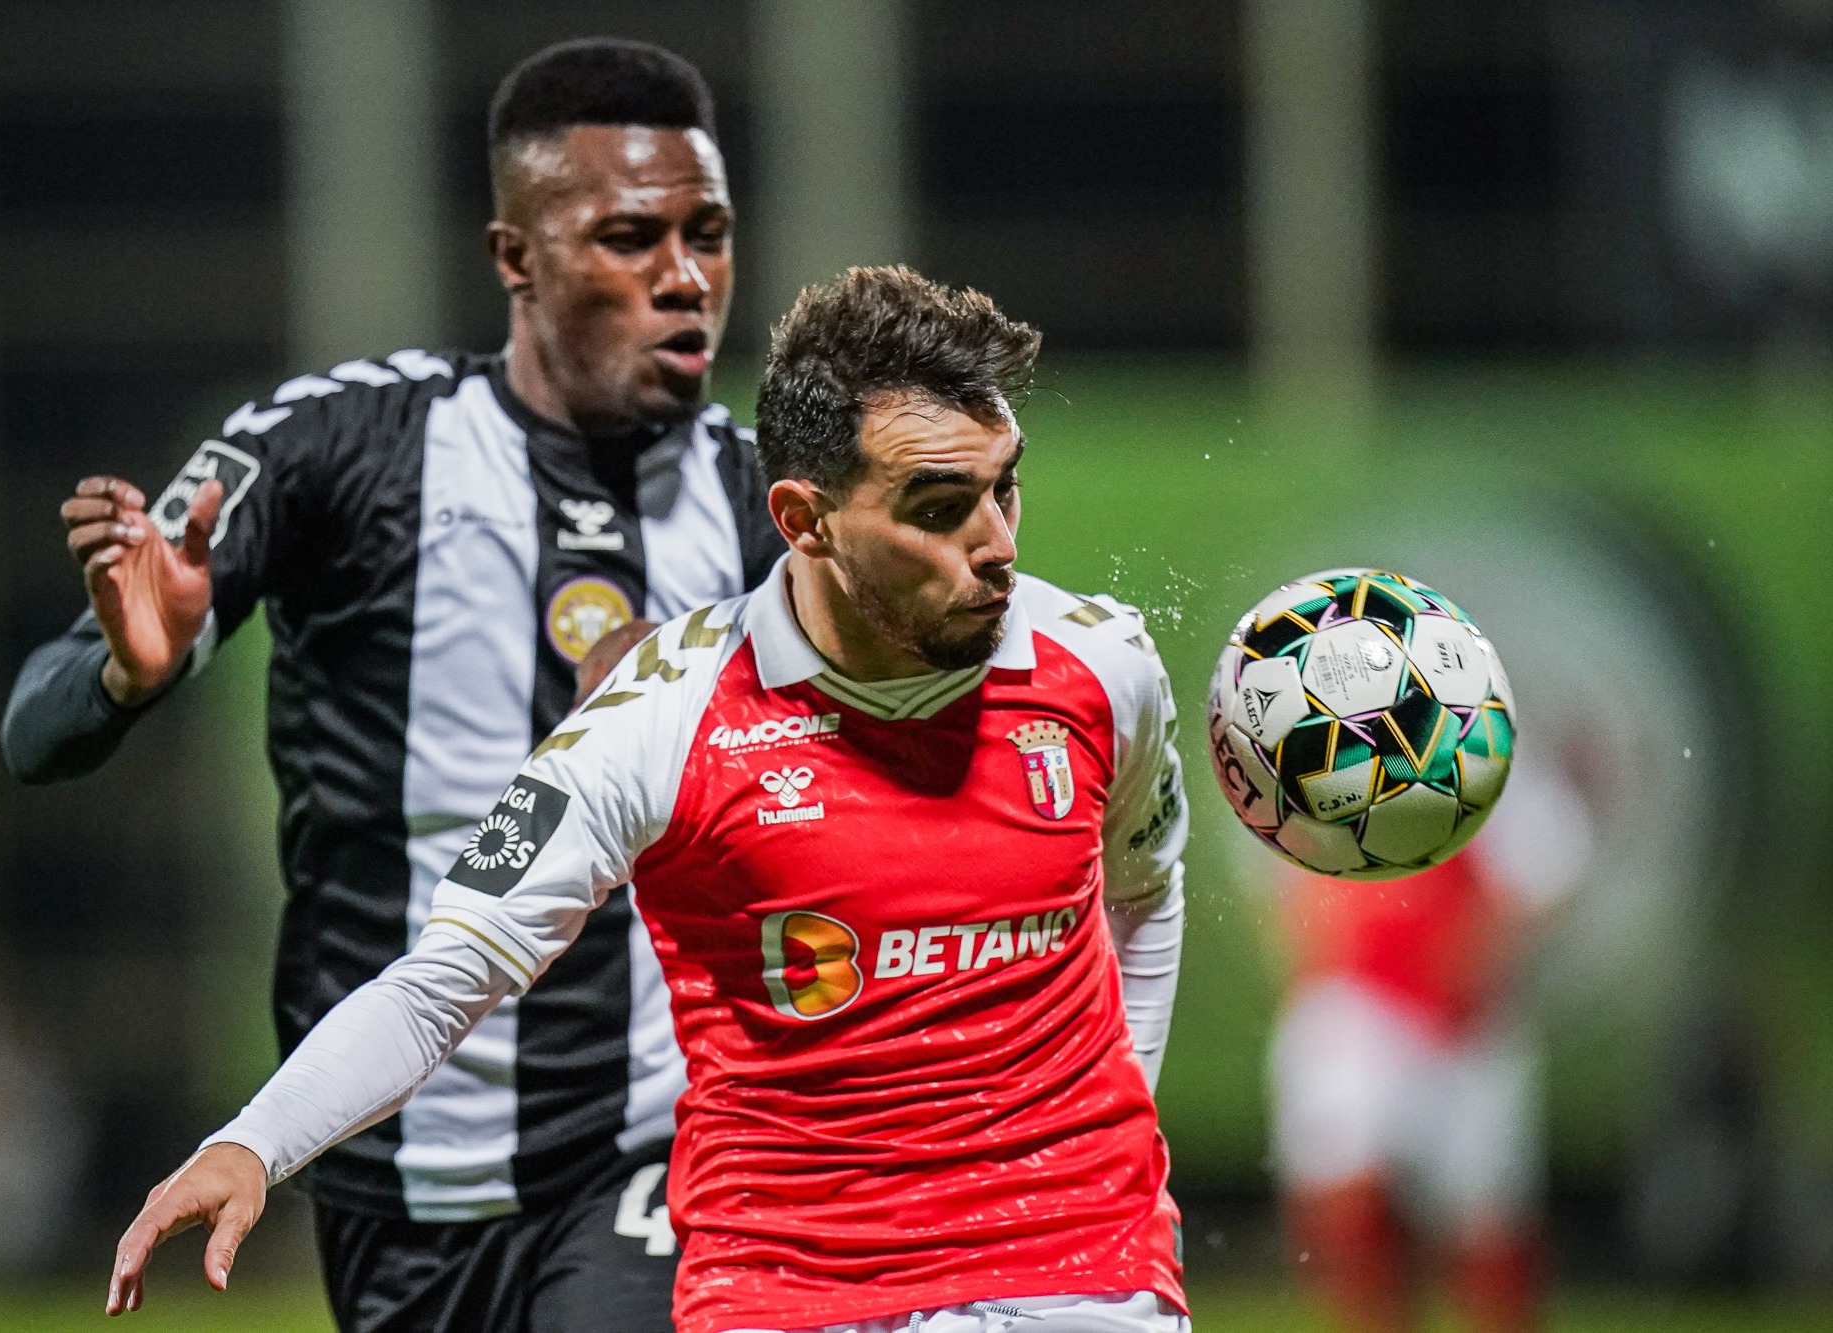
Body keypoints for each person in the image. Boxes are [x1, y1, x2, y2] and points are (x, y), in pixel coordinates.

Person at [107, 266, 1195, 1333]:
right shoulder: (662, 715)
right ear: (804, 519)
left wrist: (1113, 1123)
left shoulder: (1101, 666)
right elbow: (443, 980)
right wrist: (254, 1142)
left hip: (1082, 1275)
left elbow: (1144, 890)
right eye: (941, 507)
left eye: (1005, 485)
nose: (997, 543)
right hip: (789, 1291)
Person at [2, 38, 783, 1333]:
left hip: (659, 1148)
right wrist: (128, 674)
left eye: (707, 233)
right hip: (390, 1166)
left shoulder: (765, 505)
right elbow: (36, 729)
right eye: (630, 238)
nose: (685, 276)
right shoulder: (343, 446)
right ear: (515, 257)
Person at [1265, 753, 1590, 1333]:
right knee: (1350, 1212)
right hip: (1361, 1008)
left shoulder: (1487, 754)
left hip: (1467, 1032)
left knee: (1489, 1248)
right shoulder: (1318, 750)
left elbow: (1548, 872)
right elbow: (1289, 883)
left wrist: (1481, 952)